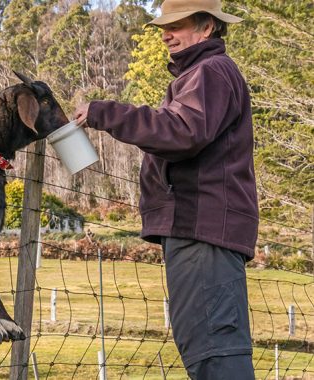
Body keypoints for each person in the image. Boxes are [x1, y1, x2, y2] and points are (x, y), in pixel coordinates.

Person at [74, 0, 257, 378]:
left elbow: (181, 132)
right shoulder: (197, 76)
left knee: (215, 355)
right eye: (163, 27)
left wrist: (106, 113)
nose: (167, 35)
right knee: (206, 349)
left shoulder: (212, 72)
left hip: (203, 229)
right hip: (198, 230)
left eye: (178, 24)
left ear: (207, 28)